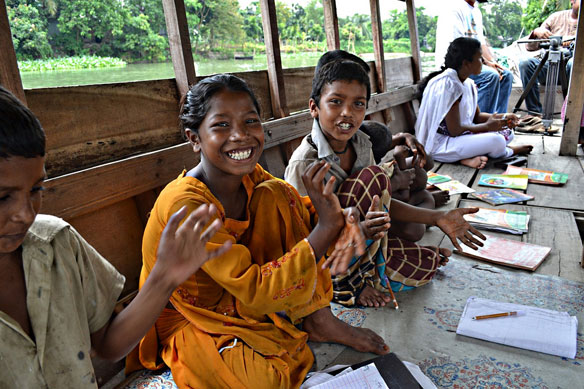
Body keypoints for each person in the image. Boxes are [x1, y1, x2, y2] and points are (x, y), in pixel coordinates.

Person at [127, 74, 391, 389]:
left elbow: (301, 212)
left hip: (240, 295)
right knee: (264, 381)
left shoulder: (252, 175)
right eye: (221, 125)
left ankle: (318, 317)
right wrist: (326, 227)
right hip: (197, 315)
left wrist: (343, 218)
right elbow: (257, 290)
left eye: (250, 122)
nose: (240, 136)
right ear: (194, 138)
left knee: (278, 194)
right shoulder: (188, 205)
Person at [0, 86, 232, 388]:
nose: (25, 213)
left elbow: (109, 346)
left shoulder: (57, 242)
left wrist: (164, 278)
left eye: (35, 191)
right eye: (3, 197)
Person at [285, 57, 486, 307]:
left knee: (426, 268)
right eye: (335, 102)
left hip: (363, 240)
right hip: (327, 255)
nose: (347, 113)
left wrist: (438, 217)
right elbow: (301, 236)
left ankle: (370, 269)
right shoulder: (305, 164)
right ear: (314, 107)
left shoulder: (361, 143)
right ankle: (344, 285)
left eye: (358, 104)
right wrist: (356, 227)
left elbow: (382, 201)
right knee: (375, 177)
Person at [416, 37, 533, 169]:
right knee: (498, 141)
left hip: (459, 136)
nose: (483, 62)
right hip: (440, 144)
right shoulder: (450, 85)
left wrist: (504, 118)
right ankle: (509, 151)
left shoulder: (467, 83)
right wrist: (488, 127)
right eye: (479, 58)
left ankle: (466, 157)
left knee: (508, 132)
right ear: (466, 63)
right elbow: (455, 130)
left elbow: (476, 117)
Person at [435, 0, 513, 114]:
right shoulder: (453, 7)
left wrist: (492, 62)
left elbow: (481, 44)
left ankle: (499, 123)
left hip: (472, 62)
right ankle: (483, 124)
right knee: (490, 76)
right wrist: (485, 63)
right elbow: (458, 47)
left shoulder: (476, 11)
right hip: (454, 65)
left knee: (506, 75)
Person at [519, 0, 579, 114]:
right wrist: (536, 32)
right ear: (573, 1)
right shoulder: (555, 17)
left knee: (574, 63)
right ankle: (534, 113)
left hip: (573, 72)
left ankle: (572, 114)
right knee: (525, 63)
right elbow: (530, 47)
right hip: (550, 66)